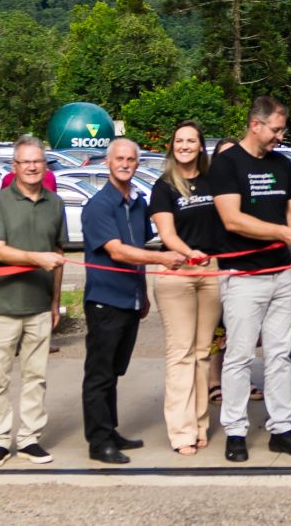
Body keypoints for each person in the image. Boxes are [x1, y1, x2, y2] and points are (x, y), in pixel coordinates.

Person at [208, 95, 291, 462]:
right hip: (243, 277)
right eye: (275, 130)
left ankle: (282, 428)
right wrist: (282, 234)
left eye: (281, 130)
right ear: (255, 124)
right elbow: (232, 219)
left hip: (282, 273)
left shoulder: (282, 166)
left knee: (280, 355)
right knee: (240, 356)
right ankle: (236, 432)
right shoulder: (226, 164)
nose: (279, 137)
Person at [81, 136, 186, 464]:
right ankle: (99, 442)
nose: (125, 164)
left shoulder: (138, 204)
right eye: (119, 159)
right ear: (107, 163)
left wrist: (141, 295)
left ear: (137, 164)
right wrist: (163, 261)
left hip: (129, 299)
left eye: (131, 160)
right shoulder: (98, 206)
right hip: (105, 300)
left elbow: (141, 244)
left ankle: (110, 429)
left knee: (113, 372)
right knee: (99, 374)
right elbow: (118, 251)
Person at [0, 136, 66, 469]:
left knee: (35, 377)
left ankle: (29, 439)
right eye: (25, 162)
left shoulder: (55, 204)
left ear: (45, 166)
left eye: (37, 161)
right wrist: (35, 258)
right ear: (15, 167)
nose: (31, 167)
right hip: (1, 304)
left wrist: (55, 302)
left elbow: (57, 256)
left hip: (39, 306)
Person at [149, 121, 221, 456]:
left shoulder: (212, 181)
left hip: (211, 273)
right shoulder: (164, 187)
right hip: (178, 272)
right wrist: (188, 253)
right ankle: (181, 431)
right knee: (180, 354)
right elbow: (168, 235)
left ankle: (200, 423)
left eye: (191, 140)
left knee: (202, 352)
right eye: (179, 140)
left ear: (200, 146)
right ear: (172, 146)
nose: (185, 145)